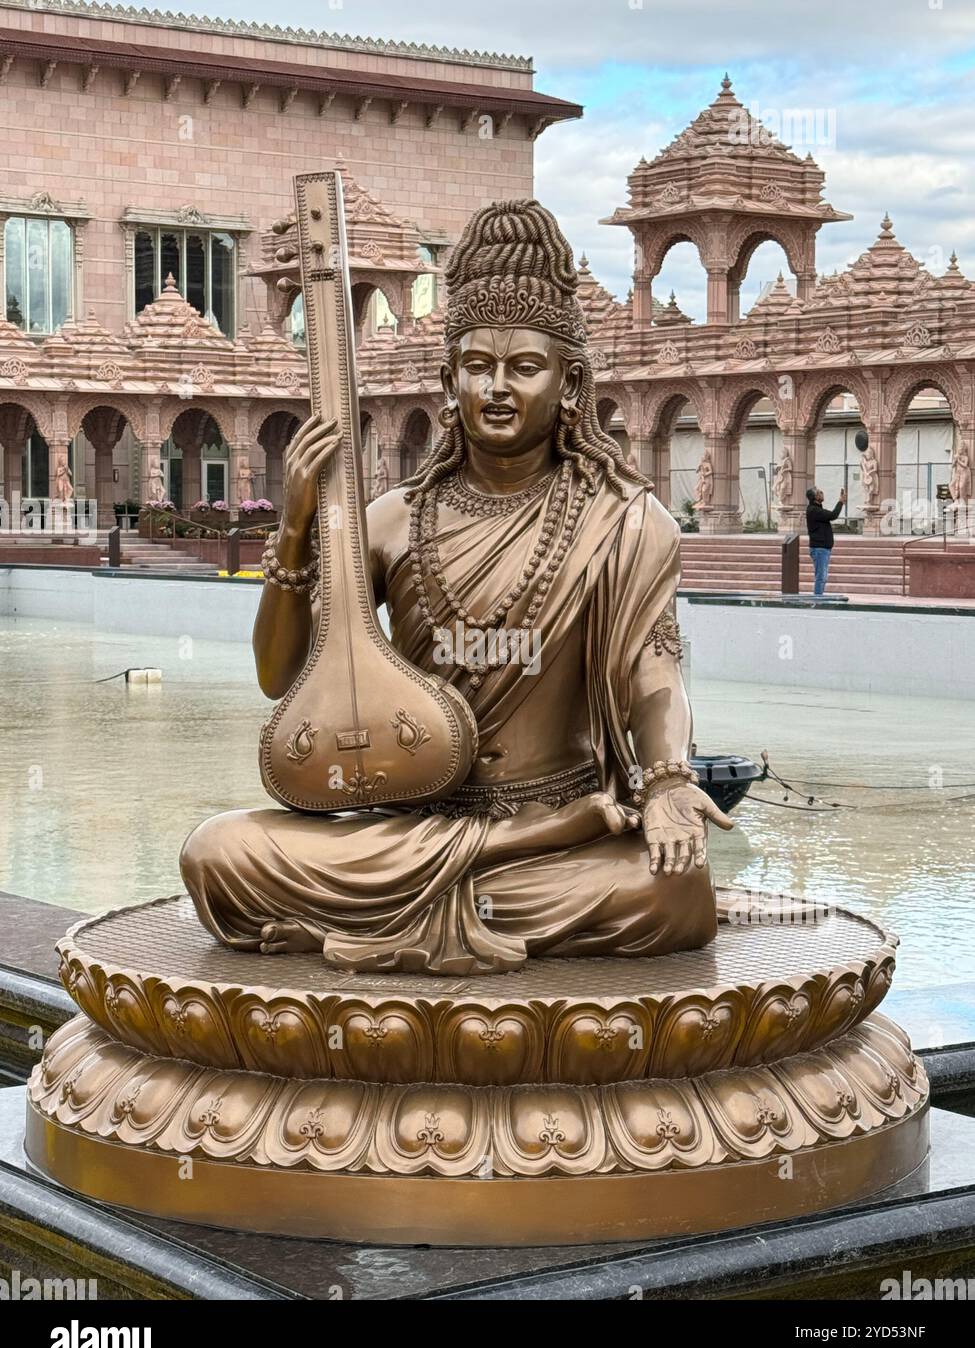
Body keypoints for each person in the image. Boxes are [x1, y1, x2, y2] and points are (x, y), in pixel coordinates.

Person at [180, 199, 734, 975]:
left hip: (554, 812)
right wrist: (297, 528)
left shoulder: (628, 520)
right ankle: (476, 879)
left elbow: (653, 665)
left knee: (671, 892)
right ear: (448, 379)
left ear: (570, 382)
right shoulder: (386, 520)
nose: (497, 388)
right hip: (417, 820)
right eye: (478, 365)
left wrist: (669, 780)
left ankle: (387, 918)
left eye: (524, 366)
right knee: (218, 853)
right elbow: (281, 678)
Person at [805, 485, 846, 596]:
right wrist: (841, 502)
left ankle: (819, 597)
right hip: (819, 549)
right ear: (815, 497)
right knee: (821, 576)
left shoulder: (817, 509)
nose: (822, 493)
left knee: (822, 576)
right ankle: (817, 600)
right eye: (819, 492)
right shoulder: (814, 510)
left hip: (823, 548)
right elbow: (833, 515)